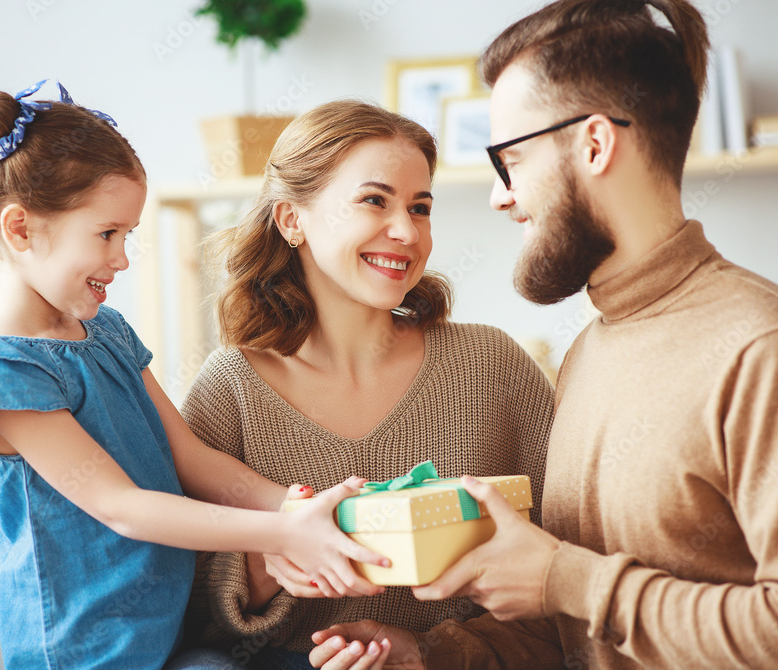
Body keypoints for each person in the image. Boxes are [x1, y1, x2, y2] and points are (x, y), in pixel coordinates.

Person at [308, 1, 778, 668]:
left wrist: (564, 578)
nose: (501, 197)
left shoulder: (768, 349)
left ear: (595, 144)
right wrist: (432, 654)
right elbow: (578, 623)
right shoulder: (588, 352)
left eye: (511, 159)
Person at [0, 80, 390, 670]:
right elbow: (122, 506)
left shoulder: (108, 333)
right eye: (107, 234)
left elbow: (191, 459)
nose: (122, 257)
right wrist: (277, 536)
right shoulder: (1, 377)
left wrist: (293, 507)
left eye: (126, 235)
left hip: (169, 639)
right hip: (90, 655)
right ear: (21, 230)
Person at [178, 99, 556, 669]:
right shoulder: (230, 390)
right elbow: (183, 608)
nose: (406, 231)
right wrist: (272, 559)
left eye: (421, 207)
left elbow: (567, 564)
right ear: (291, 220)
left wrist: (429, 651)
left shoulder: (492, 365)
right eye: (374, 200)